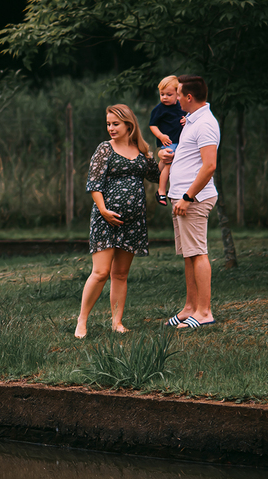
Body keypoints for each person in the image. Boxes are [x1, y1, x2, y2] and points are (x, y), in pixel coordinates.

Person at [74, 104, 162, 339]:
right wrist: (103, 210)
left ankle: (117, 322)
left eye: (115, 124)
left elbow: (156, 175)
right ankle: (82, 321)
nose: (111, 128)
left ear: (129, 125)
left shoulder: (141, 149)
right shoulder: (105, 149)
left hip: (133, 222)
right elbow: (94, 183)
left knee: (120, 274)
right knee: (101, 272)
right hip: (106, 219)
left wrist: (163, 157)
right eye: (108, 124)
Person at [159, 75, 220, 329]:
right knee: (188, 255)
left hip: (192, 199)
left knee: (198, 253)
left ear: (188, 97)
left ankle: (204, 312)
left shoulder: (206, 123)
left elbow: (209, 166)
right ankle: (190, 307)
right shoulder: (191, 121)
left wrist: (187, 197)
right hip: (180, 198)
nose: (174, 98)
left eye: (178, 93)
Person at [148, 75, 185, 206]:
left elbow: (189, 116)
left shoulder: (182, 106)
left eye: (169, 94)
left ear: (178, 94)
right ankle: (161, 191)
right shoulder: (159, 109)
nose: (164, 97)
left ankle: (164, 182)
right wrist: (161, 136)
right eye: (162, 94)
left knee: (167, 165)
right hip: (168, 142)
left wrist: (186, 120)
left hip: (181, 142)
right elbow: (152, 125)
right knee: (168, 163)